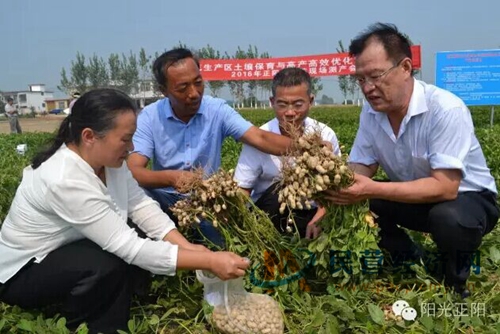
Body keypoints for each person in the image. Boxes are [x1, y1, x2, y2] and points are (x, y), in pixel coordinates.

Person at [0, 88, 250, 334]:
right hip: (25, 271)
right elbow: (130, 248)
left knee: (139, 229)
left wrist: (185, 246)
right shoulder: (63, 178)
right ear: (89, 136)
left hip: (67, 247)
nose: (131, 147)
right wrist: (208, 260)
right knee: (104, 263)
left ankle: (126, 292)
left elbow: (140, 205)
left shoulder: (109, 161)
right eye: (125, 138)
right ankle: (97, 326)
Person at [325, 23, 499, 298]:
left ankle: (455, 283)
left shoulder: (445, 108)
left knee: (448, 217)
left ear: (405, 68)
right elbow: (361, 167)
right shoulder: (371, 115)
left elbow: (445, 188)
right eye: (361, 80)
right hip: (414, 196)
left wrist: (369, 188)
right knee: (361, 200)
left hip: (468, 200)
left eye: (376, 76)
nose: (368, 88)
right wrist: (334, 191)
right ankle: (408, 257)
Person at [128, 48, 307, 247]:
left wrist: (307, 148)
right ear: (164, 90)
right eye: (182, 88)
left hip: (206, 200)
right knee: (132, 195)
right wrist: (171, 178)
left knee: (219, 247)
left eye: (198, 83)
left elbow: (260, 137)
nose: (194, 93)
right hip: (163, 197)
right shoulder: (150, 117)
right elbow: (133, 171)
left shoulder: (217, 110)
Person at [234, 68, 341, 239]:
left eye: (298, 105)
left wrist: (321, 218)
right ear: (272, 102)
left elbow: (336, 188)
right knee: (282, 188)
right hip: (270, 212)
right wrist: (237, 222)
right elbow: (243, 189)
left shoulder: (325, 134)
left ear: (311, 101)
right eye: (282, 104)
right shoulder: (260, 138)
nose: (290, 113)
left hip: (313, 211)